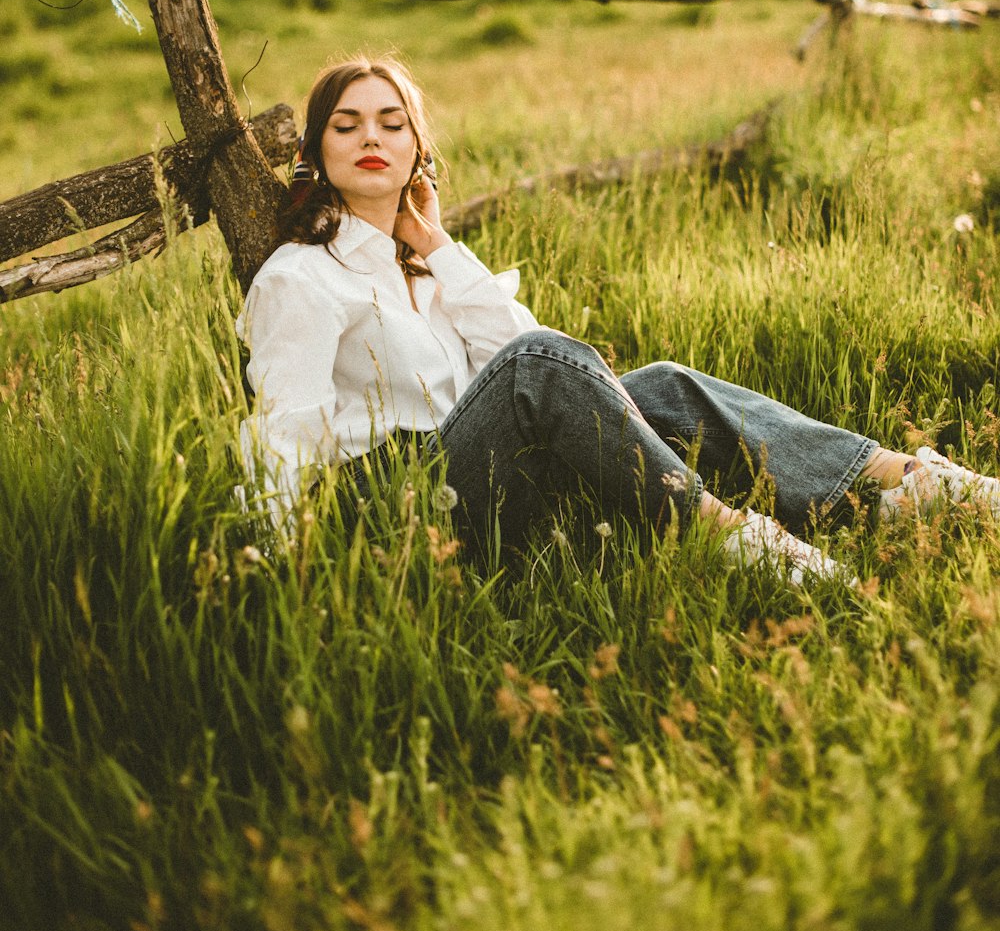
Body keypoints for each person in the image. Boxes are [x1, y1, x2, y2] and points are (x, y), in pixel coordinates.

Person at [236, 55, 1000, 584]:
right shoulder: (300, 277)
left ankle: (910, 483)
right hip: (392, 507)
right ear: (314, 150)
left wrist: (437, 246)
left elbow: (531, 366)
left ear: (417, 149)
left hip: (486, 483)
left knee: (658, 384)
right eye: (347, 124)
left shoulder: (429, 265)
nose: (372, 137)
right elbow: (284, 432)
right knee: (543, 363)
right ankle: (727, 534)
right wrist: (286, 567)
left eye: (392, 123)